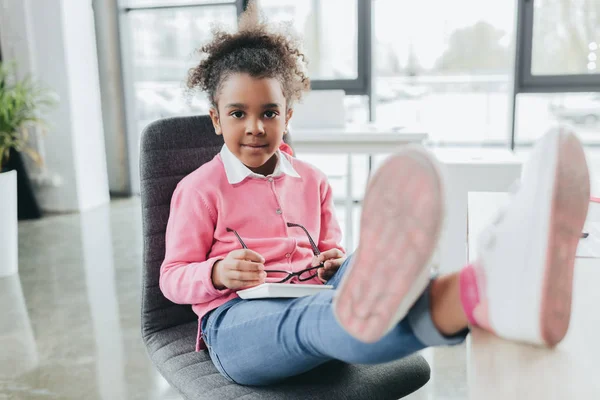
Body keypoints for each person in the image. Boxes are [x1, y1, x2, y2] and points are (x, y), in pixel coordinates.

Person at [160, 5, 590, 386]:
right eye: (238, 114)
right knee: (326, 315)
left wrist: (332, 260)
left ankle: (477, 292)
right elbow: (172, 276)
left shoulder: (313, 180)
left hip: (317, 292)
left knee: (354, 269)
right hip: (237, 323)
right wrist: (216, 273)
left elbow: (329, 247)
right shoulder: (199, 189)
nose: (255, 126)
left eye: (269, 113)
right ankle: (485, 285)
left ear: (287, 116)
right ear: (216, 119)